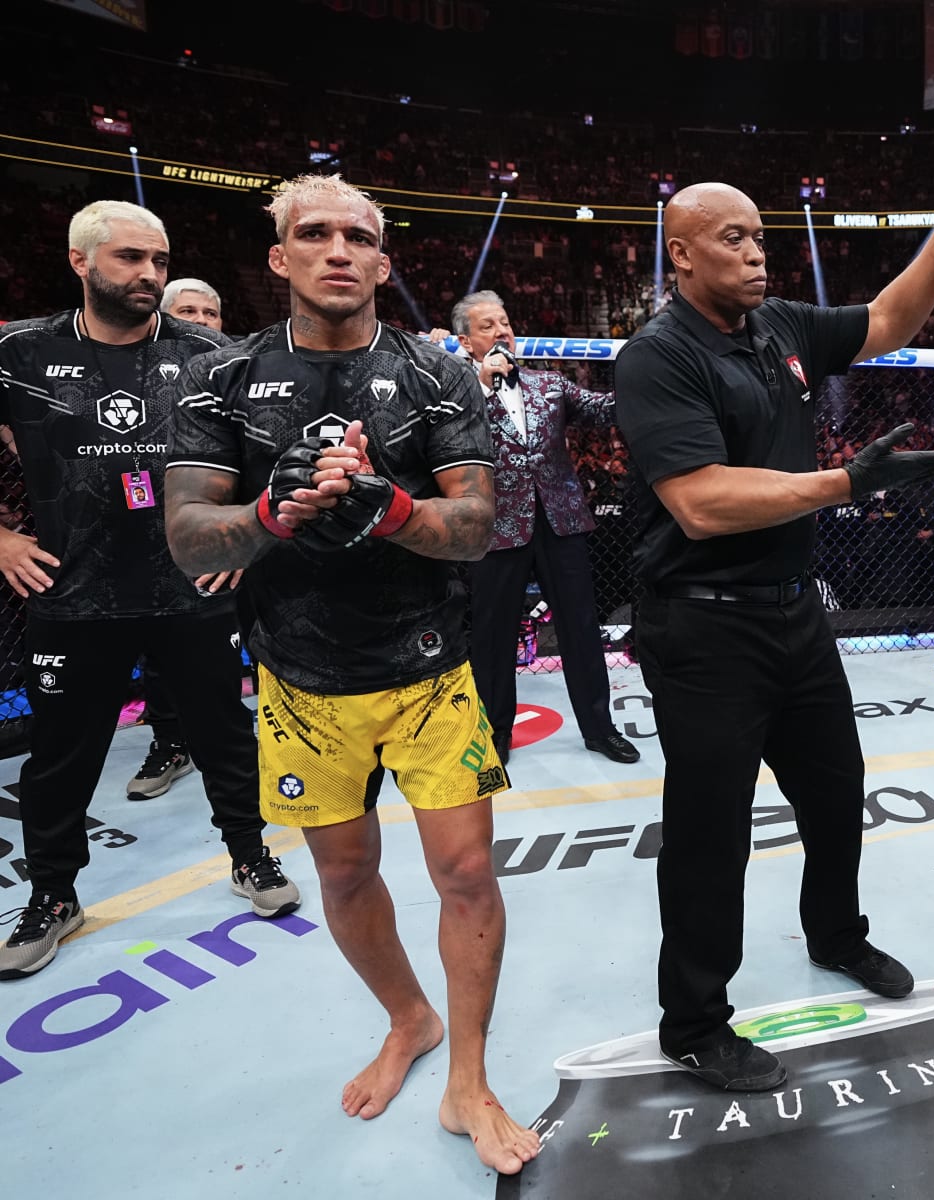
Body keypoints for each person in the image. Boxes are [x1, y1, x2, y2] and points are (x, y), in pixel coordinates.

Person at [163, 174, 537, 1173]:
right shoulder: (221, 379)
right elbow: (189, 530)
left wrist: (393, 509)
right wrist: (274, 516)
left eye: (358, 237)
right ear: (279, 257)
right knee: (344, 870)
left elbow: (479, 528)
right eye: (313, 234)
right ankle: (407, 1017)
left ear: (382, 261)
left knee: (465, 874)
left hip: (430, 669)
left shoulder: (438, 375)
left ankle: (470, 1079)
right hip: (299, 676)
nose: (338, 250)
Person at [611, 112, 934, 1088]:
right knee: (709, 834)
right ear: (682, 256)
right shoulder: (657, 354)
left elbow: (894, 320)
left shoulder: (778, 326)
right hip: (701, 626)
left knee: (834, 794)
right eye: (735, 238)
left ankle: (837, 936)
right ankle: (692, 1023)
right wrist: (845, 485)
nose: (757, 251)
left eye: (763, 235)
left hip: (793, 612)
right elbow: (699, 502)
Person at [0, 202, 297, 981]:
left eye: (160, 261)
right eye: (131, 259)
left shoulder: (209, 353)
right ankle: (54, 896)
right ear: (80, 261)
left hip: (189, 587)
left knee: (225, 735)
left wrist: (248, 533)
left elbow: (264, 453)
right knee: (60, 757)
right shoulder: (21, 351)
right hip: (73, 592)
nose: (149, 276)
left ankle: (250, 855)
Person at [451, 289, 638, 766]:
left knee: (580, 629)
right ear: (465, 340)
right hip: (496, 528)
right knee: (492, 637)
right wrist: (476, 382)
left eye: (505, 322)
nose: (502, 332)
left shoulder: (548, 384)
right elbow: (444, 430)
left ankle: (600, 729)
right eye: (488, 326)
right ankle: (494, 734)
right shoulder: (454, 390)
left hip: (561, 522)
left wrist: (651, 374)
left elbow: (605, 408)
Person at [130, 275, 235, 802]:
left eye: (209, 313)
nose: (199, 322)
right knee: (157, 649)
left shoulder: (236, 373)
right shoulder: (137, 372)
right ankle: (170, 742)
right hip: (145, 533)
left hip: (223, 537)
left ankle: (242, 743)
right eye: (187, 312)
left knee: (238, 642)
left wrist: (246, 539)